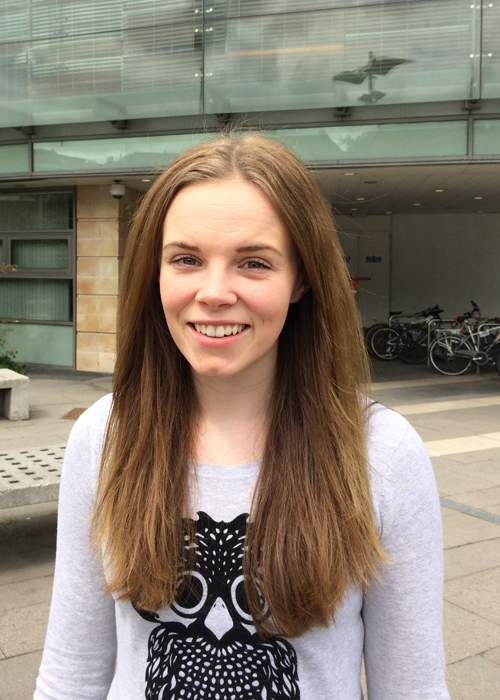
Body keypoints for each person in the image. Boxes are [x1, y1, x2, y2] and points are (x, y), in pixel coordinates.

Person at [34, 133, 450, 700]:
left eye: (253, 263)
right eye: (186, 259)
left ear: (301, 279)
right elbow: (71, 675)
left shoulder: (381, 451)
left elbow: (412, 689)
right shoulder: (106, 435)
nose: (214, 292)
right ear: (154, 273)